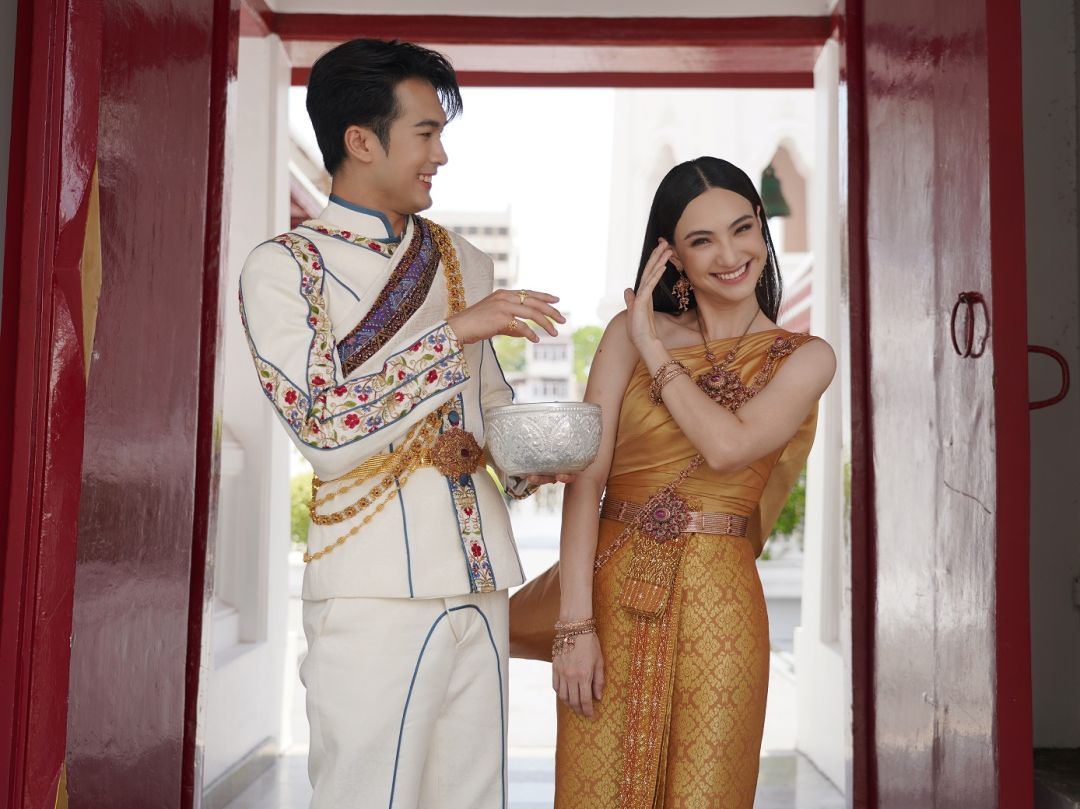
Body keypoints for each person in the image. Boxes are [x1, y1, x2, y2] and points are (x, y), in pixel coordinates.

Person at [239, 38, 569, 809]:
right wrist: (456, 331)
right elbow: (324, 429)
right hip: (369, 584)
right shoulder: (286, 268)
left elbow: (486, 401)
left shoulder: (463, 261)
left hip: (479, 573)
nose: (441, 155)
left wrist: (532, 456)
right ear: (361, 140)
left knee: (472, 797)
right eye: (425, 133)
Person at [527, 156, 835, 807]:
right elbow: (588, 480)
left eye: (742, 228)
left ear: (762, 227)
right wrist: (574, 625)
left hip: (722, 601)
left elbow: (728, 448)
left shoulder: (806, 357)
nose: (730, 254)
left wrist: (654, 347)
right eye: (703, 240)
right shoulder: (623, 335)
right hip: (611, 593)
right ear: (672, 256)